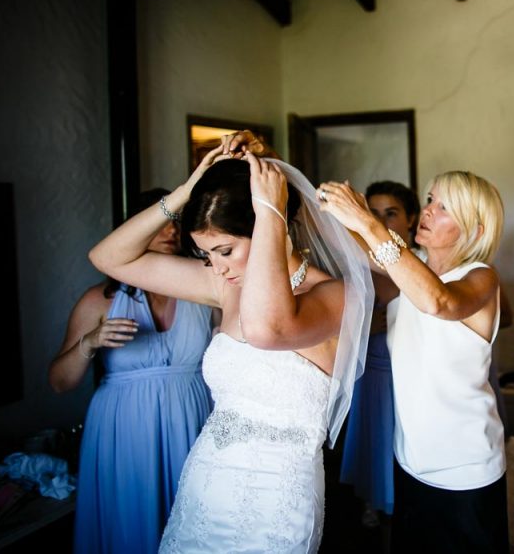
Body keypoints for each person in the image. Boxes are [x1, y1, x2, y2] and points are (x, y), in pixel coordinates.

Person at [88, 136, 373, 554]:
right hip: (206, 482)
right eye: (206, 256)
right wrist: (185, 192)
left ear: (266, 223)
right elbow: (109, 258)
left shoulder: (336, 296)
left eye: (225, 250)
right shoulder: (226, 285)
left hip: (277, 497)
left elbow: (266, 330)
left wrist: (270, 213)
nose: (217, 267)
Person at [319, 171, 509, 554]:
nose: (427, 211)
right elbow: (343, 245)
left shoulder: (481, 278)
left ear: (476, 227)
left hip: (465, 466)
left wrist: (371, 224)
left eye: (444, 207)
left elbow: (438, 301)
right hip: (410, 458)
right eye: (429, 200)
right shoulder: (408, 268)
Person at [50, 188, 216, 554]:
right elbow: (61, 382)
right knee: (132, 522)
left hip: (192, 419)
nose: (170, 231)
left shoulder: (205, 291)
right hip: (125, 429)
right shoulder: (100, 300)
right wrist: (90, 342)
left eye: (177, 221)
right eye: (159, 223)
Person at [339, 181, 420, 526]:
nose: (382, 220)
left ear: (411, 219)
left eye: (392, 213)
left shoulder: (421, 264)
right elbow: (341, 317)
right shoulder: (356, 263)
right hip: (372, 366)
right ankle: (374, 499)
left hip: (411, 371)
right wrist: (369, 325)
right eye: (373, 213)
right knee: (376, 436)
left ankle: (411, 501)